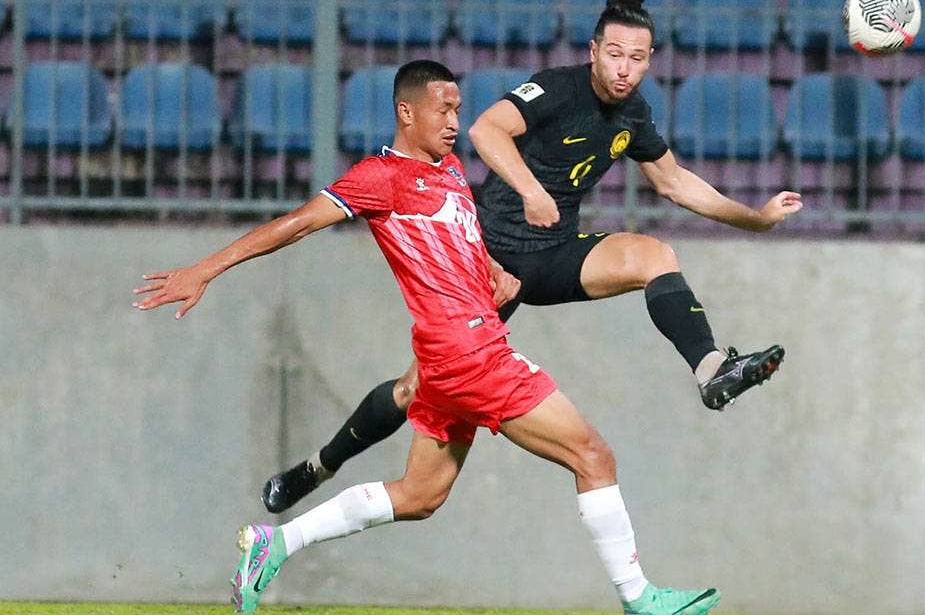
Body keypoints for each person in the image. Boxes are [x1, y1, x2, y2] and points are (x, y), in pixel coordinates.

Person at [132, 59, 721, 615]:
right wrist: (204, 269)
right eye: (443, 109)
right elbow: (296, 224)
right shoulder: (381, 178)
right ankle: (637, 597)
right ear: (407, 112)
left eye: (458, 109)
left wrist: (493, 272)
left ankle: (276, 543)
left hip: (445, 360)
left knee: (419, 497)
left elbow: (462, 243)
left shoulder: (451, 171)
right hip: (470, 354)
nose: (454, 121)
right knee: (593, 456)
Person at [261, 0, 804, 517]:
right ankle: (318, 467)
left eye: (637, 59)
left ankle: (711, 369)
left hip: (553, 254)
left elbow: (674, 182)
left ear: (649, 61)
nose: (624, 69)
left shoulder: (634, 113)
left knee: (654, 256)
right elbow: (486, 129)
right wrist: (530, 190)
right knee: (411, 390)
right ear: (593, 51)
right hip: (488, 262)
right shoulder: (555, 89)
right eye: (615, 54)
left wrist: (755, 219)